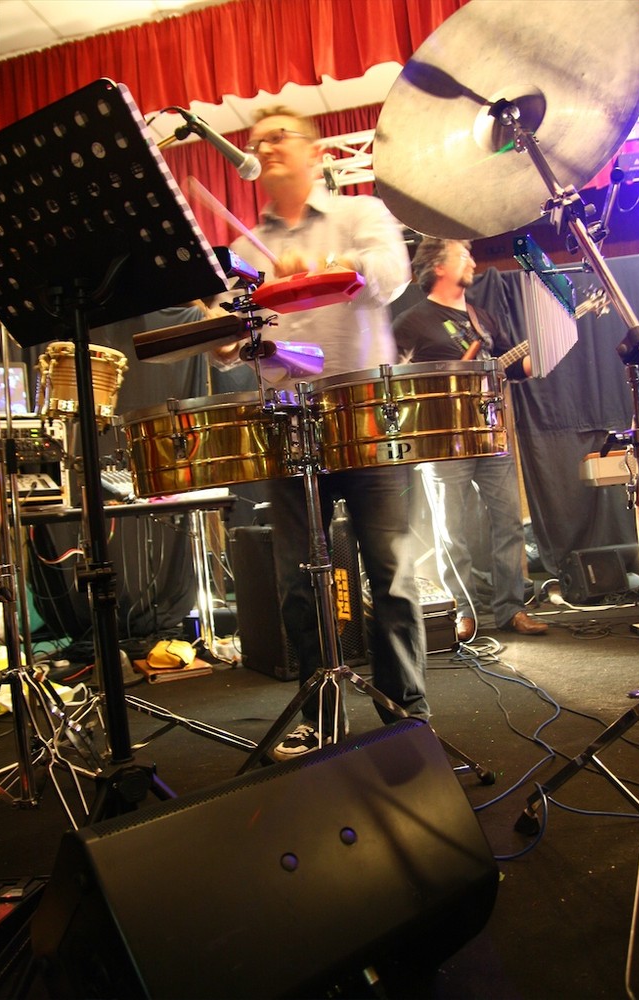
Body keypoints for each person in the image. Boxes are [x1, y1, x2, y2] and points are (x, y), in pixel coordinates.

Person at [216, 106, 429, 758]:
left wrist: (318, 268)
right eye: (257, 142)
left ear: (316, 154)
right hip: (288, 424)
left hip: (366, 417)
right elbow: (233, 339)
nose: (264, 147)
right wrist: (228, 324)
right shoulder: (247, 245)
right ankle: (318, 711)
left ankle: (406, 715)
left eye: (279, 136)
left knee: (390, 575)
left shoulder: (360, 214)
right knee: (299, 580)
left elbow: (389, 277)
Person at [393, 237, 548, 641]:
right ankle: (463, 612)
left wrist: (552, 344)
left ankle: (512, 609)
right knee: (451, 531)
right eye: (463, 256)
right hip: (444, 441)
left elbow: (515, 369)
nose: (473, 262)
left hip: (489, 433)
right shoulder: (411, 322)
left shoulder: (482, 317)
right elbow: (395, 384)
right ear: (439, 267)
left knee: (509, 523)